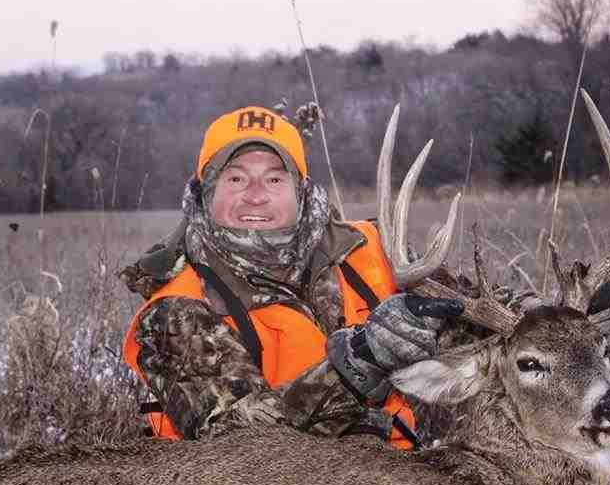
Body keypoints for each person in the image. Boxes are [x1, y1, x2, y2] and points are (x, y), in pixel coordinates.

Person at [121, 105, 461, 449]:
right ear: (204, 192)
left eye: (274, 178)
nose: (255, 196)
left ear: (302, 190)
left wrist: (510, 317)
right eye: (236, 178)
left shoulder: (373, 249)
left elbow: (470, 316)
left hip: (402, 476)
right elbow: (241, 445)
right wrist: (359, 362)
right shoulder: (176, 312)